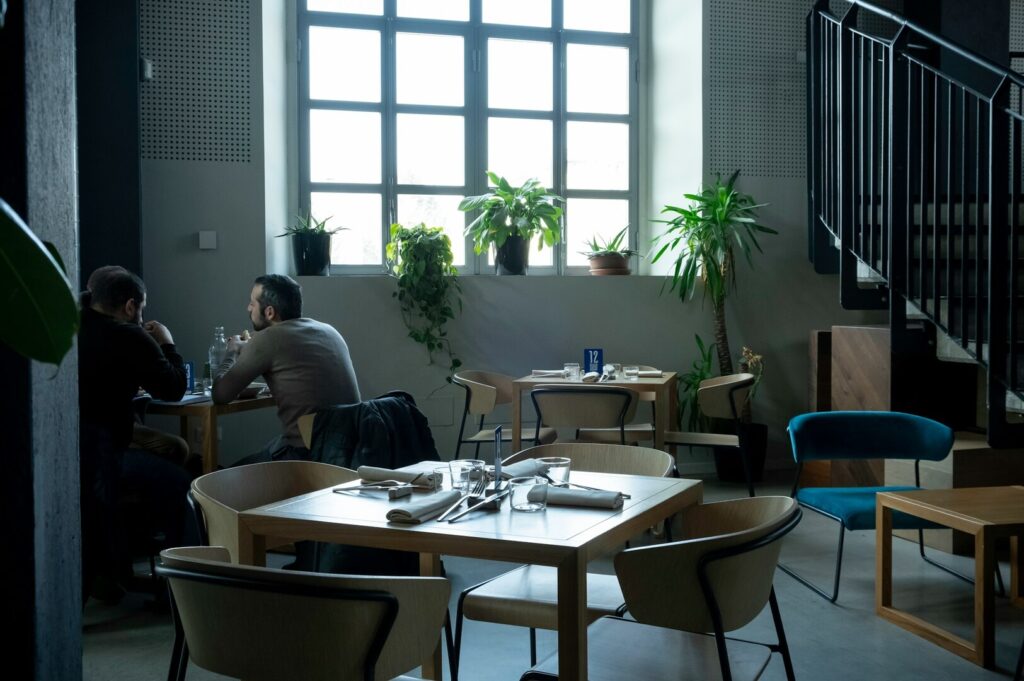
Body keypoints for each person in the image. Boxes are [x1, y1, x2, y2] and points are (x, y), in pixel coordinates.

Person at [78, 266, 193, 602]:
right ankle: (183, 587)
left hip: (77, 451)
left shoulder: (72, 324)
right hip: (108, 453)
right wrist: (167, 341)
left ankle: (119, 569)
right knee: (183, 485)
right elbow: (173, 387)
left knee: (174, 449)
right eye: (141, 308)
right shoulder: (129, 335)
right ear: (130, 306)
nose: (141, 315)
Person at [213, 274, 361, 464]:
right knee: (270, 447)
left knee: (226, 477)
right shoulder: (330, 331)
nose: (248, 308)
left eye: (252, 303)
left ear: (269, 312)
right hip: (349, 452)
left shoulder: (268, 339)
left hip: (307, 455)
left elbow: (220, 394)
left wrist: (232, 351)